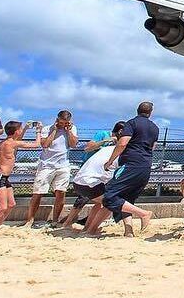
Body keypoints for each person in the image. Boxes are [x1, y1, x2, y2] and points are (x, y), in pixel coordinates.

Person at [99, 101, 159, 236]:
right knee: (126, 199)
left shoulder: (131, 123)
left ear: (137, 110)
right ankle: (129, 231)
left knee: (108, 196)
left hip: (131, 164)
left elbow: (122, 143)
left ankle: (144, 214)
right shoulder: (155, 128)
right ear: (150, 113)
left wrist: (110, 161)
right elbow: (152, 147)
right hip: (146, 165)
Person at [0, 121, 41, 237]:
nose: (20, 131)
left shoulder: (5, 143)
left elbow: (17, 139)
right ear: (16, 132)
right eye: (19, 129)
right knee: (2, 207)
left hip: (3, 178)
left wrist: (25, 128)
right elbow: (36, 144)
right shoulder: (10, 144)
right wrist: (38, 131)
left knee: (11, 204)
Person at [24, 110, 78, 229]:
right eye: (62, 122)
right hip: (46, 165)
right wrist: (54, 130)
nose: (63, 125)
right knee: (38, 193)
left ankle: (55, 220)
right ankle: (30, 219)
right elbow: (45, 144)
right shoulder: (47, 129)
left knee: (60, 192)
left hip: (63, 165)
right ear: (57, 119)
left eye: (66, 123)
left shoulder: (72, 129)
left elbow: (73, 144)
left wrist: (68, 131)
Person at [63, 123, 121, 231]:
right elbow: (87, 148)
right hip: (89, 171)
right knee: (82, 198)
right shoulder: (102, 134)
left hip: (103, 174)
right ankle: (68, 222)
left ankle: (87, 226)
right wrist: (106, 141)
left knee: (98, 201)